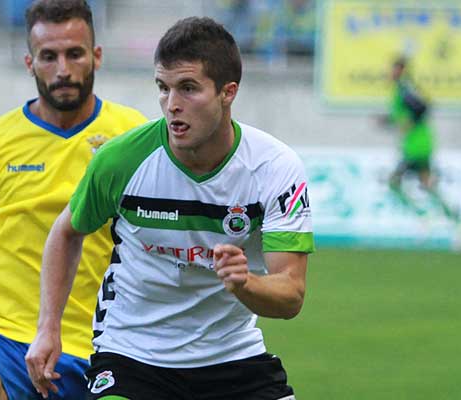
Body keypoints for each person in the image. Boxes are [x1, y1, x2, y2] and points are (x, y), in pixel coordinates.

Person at [26, 16, 315, 400]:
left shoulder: (275, 169)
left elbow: (291, 294)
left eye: (188, 88)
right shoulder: (121, 160)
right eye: (163, 88)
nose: (172, 105)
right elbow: (66, 232)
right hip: (131, 354)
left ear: (228, 92)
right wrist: (48, 327)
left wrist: (246, 283)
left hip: (231, 357)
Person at [0, 1, 147, 399]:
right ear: (29, 62)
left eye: (75, 54)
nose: (63, 69)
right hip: (5, 339)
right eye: (48, 56)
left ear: (97, 56)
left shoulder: (132, 138)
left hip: (107, 342)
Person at [381, 57, 461, 244]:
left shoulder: (405, 90)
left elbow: (422, 108)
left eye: (394, 69)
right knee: (427, 185)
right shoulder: (402, 90)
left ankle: (424, 216)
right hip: (417, 145)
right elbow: (405, 116)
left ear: (401, 70)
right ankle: (458, 222)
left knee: (394, 182)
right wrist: (386, 121)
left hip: (416, 146)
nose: (391, 73)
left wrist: (409, 122)